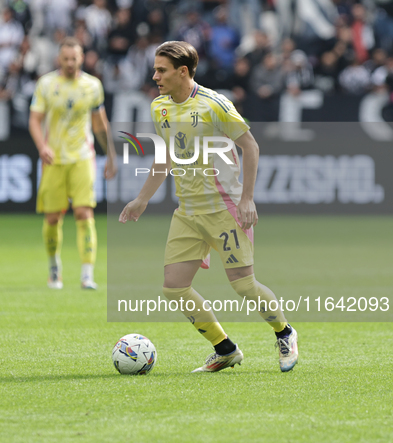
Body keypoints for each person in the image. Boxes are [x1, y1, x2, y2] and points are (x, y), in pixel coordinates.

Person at [119, 41, 298, 373]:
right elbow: (165, 157)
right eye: (155, 69)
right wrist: (142, 198)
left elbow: (251, 147)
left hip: (224, 208)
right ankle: (225, 348)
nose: (155, 75)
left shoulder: (215, 105)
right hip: (187, 212)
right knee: (173, 288)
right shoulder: (159, 107)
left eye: (161, 70)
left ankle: (284, 332)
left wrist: (246, 199)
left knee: (243, 285)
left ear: (182, 72)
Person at [29, 36, 117, 290]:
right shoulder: (46, 84)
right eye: (66, 58)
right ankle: (54, 269)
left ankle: (87, 274)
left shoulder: (92, 85)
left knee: (84, 212)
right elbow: (35, 120)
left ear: (82, 58)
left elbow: (100, 124)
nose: (70, 63)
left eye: (74, 58)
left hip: (82, 157)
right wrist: (42, 146)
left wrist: (110, 155)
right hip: (54, 158)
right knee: (53, 217)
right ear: (59, 59)